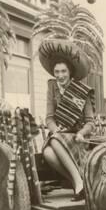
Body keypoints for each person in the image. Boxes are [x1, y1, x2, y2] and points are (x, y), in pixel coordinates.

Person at [39, 39, 96, 201]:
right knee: (48, 152)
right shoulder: (52, 87)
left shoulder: (81, 90)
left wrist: (81, 133)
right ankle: (78, 183)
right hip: (60, 135)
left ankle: (79, 183)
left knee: (54, 142)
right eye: (56, 72)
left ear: (70, 72)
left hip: (79, 139)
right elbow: (49, 117)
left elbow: (90, 122)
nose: (60, 76)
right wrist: (55, 129)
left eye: (63, 71)